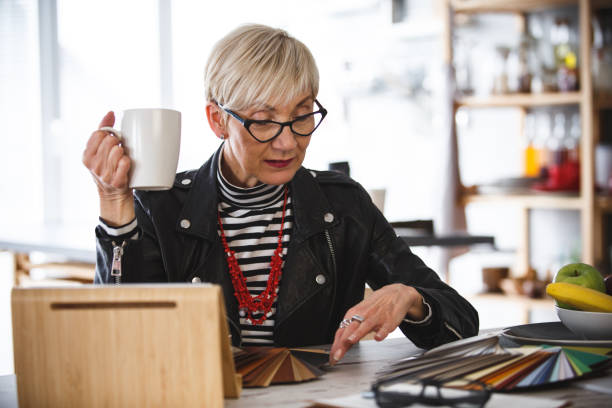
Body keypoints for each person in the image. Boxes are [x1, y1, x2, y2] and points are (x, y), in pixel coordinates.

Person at [82, 24, 478, 365]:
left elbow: (462, 324)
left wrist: (408, 297)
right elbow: (118, 345)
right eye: (263, 120)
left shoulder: (344, 206)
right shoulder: (160, 208)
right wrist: (115, 202)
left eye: (302, 115)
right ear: (217, 120)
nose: (288, 142)